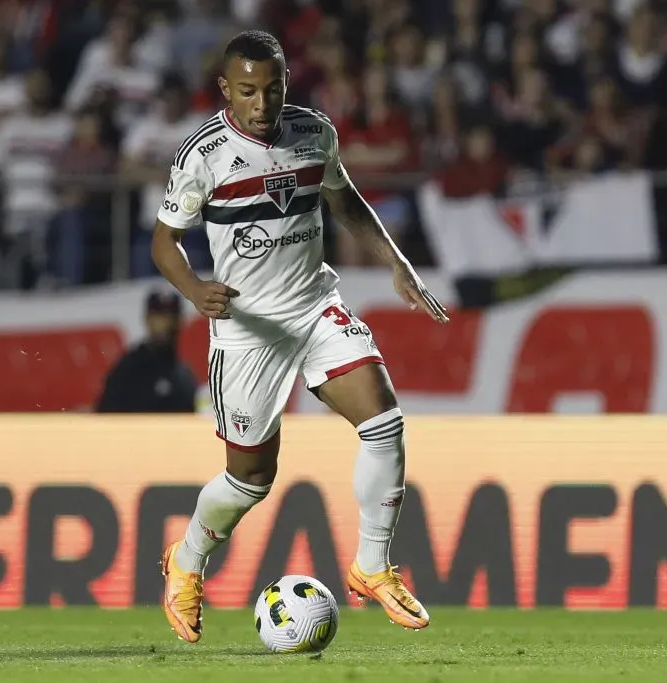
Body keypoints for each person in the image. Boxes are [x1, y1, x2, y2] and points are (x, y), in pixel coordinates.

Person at [151, 30, 449, 643]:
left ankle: (371, 565)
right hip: (247, 330)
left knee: (384, 421)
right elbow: (164, 241)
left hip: (314, 306)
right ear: (226, 90)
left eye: (273, 88)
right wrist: (194, 290)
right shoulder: (201, 156)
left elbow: (345, 203)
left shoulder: (314, 133)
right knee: (249, 481)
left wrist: (396, 262)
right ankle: (185, 560)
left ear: (288, 83)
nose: (262, 103)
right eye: (249, 91)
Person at [95, 289, 199, 413]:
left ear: (180, 322)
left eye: (170, 317)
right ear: (147, 319)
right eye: (158, 317)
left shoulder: (185, 377)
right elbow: (106, 417)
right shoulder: (127, 369)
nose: (165, 324)